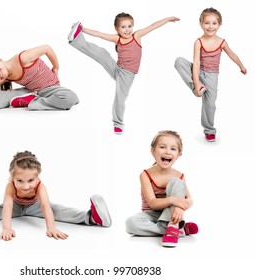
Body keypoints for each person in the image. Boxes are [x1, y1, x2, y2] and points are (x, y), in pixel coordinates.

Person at [0, 151, 111, 241]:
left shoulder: (40, 187)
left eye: (30, 180)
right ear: (12, 178)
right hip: (14, 207)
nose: (26, 185)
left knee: (58, 210)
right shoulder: (10, 186)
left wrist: (50, 227)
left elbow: (45, 206)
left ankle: (93, 219)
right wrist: (6, 228)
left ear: (37, 178)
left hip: (36, 207)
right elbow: (7, 206)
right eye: (19, 180)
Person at [68, 13, 179, 134]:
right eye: (123, 27)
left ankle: (118, 123)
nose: (127, 30)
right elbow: (100, 35)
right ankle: (76, 40)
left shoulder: (137, 35)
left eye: (129, 26)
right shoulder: (117, 38)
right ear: (117, 29)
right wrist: (82, 29)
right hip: (117, 69)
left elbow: (153, 26)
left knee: (120, 98)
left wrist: (167, 19)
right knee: (102, 54)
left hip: (127, 75)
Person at [174, 7, 247, 142]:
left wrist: (241, 65)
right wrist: (196, 83)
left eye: (214, 23)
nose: (210, 26)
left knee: (210, 104)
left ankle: (209, 130)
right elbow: (196, 62)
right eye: (207, 23)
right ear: (201, 23)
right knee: (179, 61)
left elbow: (231, 54)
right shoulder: (198, 42)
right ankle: (197, 88)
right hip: (198, 72)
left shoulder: (222, 42)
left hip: (212, 76)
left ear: (219, 24)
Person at [125, 130, 198, 247]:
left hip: (172, 214)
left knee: (176, 182)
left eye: (173, 149)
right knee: (130, 223)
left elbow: (189, 199)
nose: (168, 152)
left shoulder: (179, 176)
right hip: (151, 214)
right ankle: (178, 229)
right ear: (153, 150)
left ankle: (173, 226)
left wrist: (180, 208)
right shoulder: (145, 175)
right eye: (162, 147)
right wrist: (172, 200)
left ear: (179, 154)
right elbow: (153, 203)